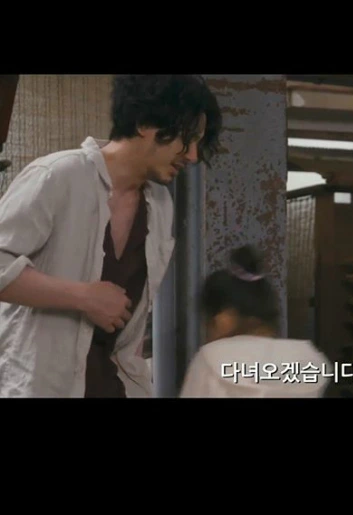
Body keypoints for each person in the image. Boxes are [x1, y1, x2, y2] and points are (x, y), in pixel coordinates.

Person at [0, 75, 222, 398]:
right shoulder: (58, 176)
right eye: (185, 139)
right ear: (146, 123)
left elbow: (130, 335)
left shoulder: (160, 205)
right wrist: (82, 296)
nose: (192, 156)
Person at [180, 245, 332, 398]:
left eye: (207, 321)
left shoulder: (211, 360)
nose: (206, 331)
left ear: (224, 317)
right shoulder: (309, 360)